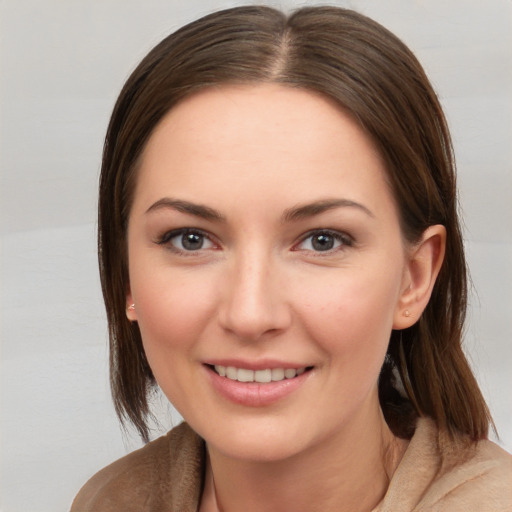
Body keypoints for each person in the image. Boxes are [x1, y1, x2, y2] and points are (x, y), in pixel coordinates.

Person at [71, 5, 512, 511]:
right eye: (190, 239)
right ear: (126, 275)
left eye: (322, 241)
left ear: (414, 279)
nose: (250, 314)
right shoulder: (111, 501)